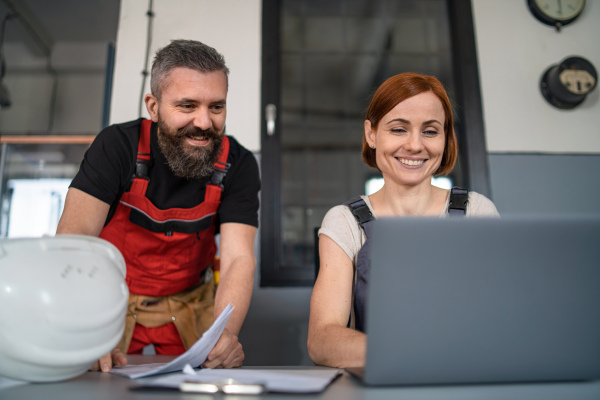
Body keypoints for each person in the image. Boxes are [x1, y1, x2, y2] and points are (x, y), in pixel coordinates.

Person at [56, 40, 260, 371]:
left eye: (216, 107)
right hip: (110, 305)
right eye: (187, 106)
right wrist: (84, 327)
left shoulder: (238, 164)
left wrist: (225, 334)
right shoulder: (117, 147)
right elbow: (74, 239)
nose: (204, 122)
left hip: (192, 305)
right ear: (153, 106)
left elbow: (239, 258)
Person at [307, 72, 499, 368]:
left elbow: (502, 321)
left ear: (446, 137)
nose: (414, 145)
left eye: (431, 131)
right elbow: (321, 340)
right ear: (371, 134)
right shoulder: (344, 222)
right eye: (398, 129)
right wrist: (414, 354)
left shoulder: (477, 212)